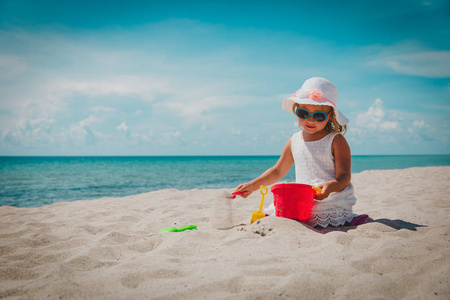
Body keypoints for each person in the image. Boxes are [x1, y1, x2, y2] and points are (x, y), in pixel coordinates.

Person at [235, 77, 357, 228]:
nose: (310, 120)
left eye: (318, 116)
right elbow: (277, 171)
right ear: (296, 110)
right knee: (278, 210)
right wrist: (253, 185)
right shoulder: (294, 141)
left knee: (320, 212)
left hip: (329, 198)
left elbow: (344, 177)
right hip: (301, 199)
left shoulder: (336, 141)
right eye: (304, 114)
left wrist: (331, 186)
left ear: (330, 116)